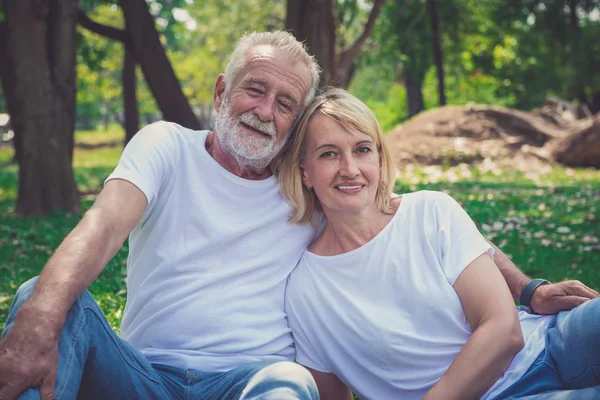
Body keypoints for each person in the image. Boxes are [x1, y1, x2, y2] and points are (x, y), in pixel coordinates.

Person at [0, 31, 594, 400]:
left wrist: (529, 288)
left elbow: (421, 220)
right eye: (254, 90)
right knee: (42, 299)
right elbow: (102, 226)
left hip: (250, 382)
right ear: (219, 91)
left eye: (285, 103)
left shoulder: (311, 191)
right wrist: (38, 321)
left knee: (287, 386)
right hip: (140, 375)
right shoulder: (166, 147)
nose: (264, 111)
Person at [274, 87, 600, 400]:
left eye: (362, 150)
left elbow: (504, 330)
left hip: (549, 342)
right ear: (305, 172)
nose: (350, 169)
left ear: (379, 159)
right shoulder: (306, 292)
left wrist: (530, 291)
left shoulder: (430, 212)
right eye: (329, 154)